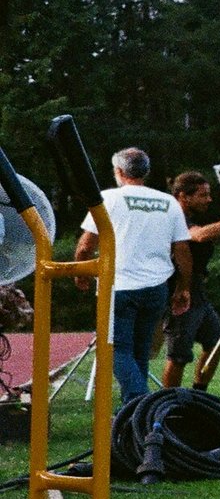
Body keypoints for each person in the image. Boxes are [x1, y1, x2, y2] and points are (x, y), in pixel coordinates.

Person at [71, 148, 192, 405]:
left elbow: (85, 246)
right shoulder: (169, 202)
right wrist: (183, 287)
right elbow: (182, 249)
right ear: (146, 172)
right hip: (156, 286)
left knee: (116, 350)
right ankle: (133, 411)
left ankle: (140, 400)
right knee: (139, 351)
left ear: (118, 171)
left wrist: (81, 271)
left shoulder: (108, 199)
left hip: (118, 284)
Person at [162, 170, 220, 390]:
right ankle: (168, 400)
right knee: (178, 355)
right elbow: (200, 235)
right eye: (203, 195)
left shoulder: (189, 217)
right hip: (179, 290)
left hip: (197, 291)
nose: (209, 200)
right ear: (183, 196)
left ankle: (199, 393)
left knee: (217, 343)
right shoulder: (175, 217)